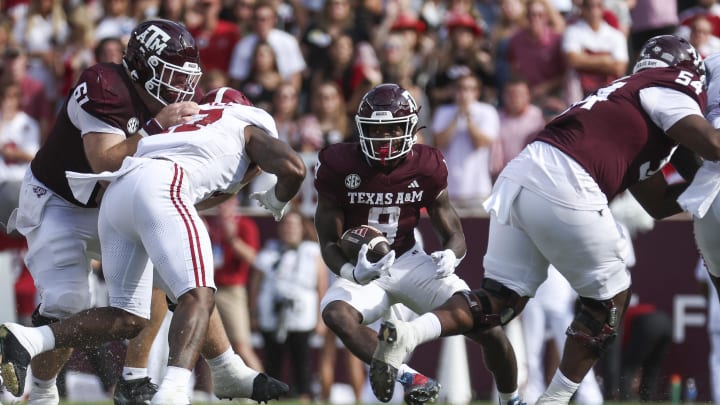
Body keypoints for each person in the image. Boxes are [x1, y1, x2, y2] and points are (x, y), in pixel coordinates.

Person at [369, 34, 718, 405]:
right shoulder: (669, 85)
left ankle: (409, 334)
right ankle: (554, 400)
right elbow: (711, 142)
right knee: (611, 300)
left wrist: (703, 184)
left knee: (498, 302)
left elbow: (660, 204)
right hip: (567, 179)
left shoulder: (628, 102)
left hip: (524, 171)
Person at [0, 19, 283, 405]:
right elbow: (102, 161)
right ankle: (44, 391)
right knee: (66, 302)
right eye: (170, 74)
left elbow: (177, 184)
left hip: (118, 202)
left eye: (186, 77)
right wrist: (152, 128)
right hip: (62, 200)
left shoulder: (180, 97)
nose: (181, 87)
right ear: (140, 66)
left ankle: (142, 377)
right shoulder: (104, 85)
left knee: (177, 268)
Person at [314, 83, 525, 405]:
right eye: (375, 130)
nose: (383, 139)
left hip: (410, 260)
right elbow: (328, 239)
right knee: (336, 314)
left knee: (489, 330)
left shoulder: (426, 164)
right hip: (364, 268)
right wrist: (350, 271)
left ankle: (511, 400)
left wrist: (452, 256)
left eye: (392, 130)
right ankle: (411, 378)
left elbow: (452, 230)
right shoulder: (338, 164)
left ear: (409, 128)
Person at [251, 209, 327, 403]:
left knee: (302, 361)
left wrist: (321, 318)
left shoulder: (312, 251)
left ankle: (304, 396)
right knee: (272, 359)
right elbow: (256, 284)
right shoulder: (270, 249)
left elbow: (321, 286)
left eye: (294, 225)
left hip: (302, 314)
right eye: (286, 225)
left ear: (302, 228)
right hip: (272, 313)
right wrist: (254, 313)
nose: (289, 229)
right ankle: (272, 397)